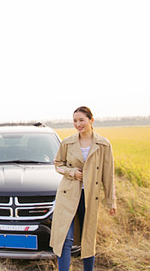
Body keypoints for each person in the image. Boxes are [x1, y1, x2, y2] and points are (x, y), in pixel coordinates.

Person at [50, 106, 117, 271]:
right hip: (68, 195)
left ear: (91, 120)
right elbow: (57, 165)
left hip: (90, 197)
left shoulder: (103, 144)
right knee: (65, 237)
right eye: (75, 121)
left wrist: (111, 201)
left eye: (81, 120)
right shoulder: (67, 142)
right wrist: (72, 172)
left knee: (88, 239)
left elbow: (108, 175)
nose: (78, 124)